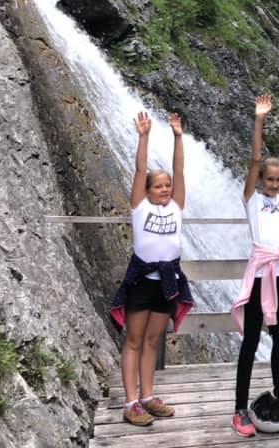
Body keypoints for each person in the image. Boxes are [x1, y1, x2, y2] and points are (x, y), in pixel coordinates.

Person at [230, 95, 279, 437]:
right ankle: (240, 409)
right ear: (261, 179)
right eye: (270, 179)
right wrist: (259, 120)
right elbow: (254, 159)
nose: (275, 184)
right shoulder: (252, 200)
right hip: (261, 276)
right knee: (250, 342)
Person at [109, 112, 194, 427]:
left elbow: (179, 170)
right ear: (146, 191)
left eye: (167, 185)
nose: (165, 189)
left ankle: (147, 396)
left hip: (167, 282)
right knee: (134, 340)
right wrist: (143, 137)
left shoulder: (176, 207)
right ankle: (130, 402)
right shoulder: (140, 207)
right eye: (158, 186)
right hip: (142, 281)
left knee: (152, 341)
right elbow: (140, 169)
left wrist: (178, 137)